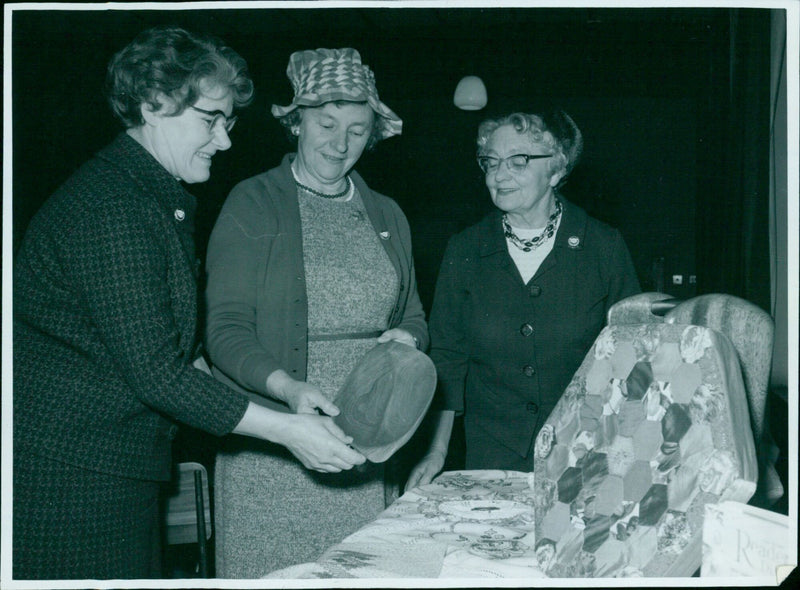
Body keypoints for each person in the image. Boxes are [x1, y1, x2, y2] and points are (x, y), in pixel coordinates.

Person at [12, 28, 364, 581]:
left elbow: (177, 355)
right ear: (153, 106)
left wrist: (288, 394)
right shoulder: (113, 209)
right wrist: (287, 430)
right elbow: (157, 374)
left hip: (109, 465)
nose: (224, 141)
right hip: (70, 479)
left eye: (228, 122)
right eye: (210, 119)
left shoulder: (150, 197)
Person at [204, 47, 428, 578]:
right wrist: (287, 389)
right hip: (273, 444)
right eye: (326, 123)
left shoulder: (388, 214)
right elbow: (224, 330)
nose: (339, 142)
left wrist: (407, 339)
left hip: (365, 440)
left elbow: (416, 314)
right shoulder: (253, 202)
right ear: (296, 123)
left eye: (356, 129)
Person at [407, 110, 640, 487]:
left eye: (518, 161)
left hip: (585, 454)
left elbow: (631, 359)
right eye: (491, 162)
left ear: (557, 170)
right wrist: (435, 452)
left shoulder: (603, 246)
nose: (499, 175)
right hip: (491, 454)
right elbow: (448, 358)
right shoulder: (465, 249)